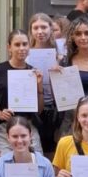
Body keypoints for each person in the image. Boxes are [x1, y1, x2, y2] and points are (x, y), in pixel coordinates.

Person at [0, 29, 44, 158]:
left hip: (28, 125)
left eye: (25, 44)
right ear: (9, 47)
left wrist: (39, 87)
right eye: (17, 45)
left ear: (29, 46)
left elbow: (39, 109)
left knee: (36, 163)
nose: (21, 48)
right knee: (5, 164)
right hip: (4, 127)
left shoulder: (33, 72)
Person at [28, 12, 60, 155]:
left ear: (51, 29)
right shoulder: (25, 53)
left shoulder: (61, 53)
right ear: (31, 30)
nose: (40, 32)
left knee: (54, 150)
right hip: (33, 109)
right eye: (36, 28)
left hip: (56, 109)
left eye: (44, 27)